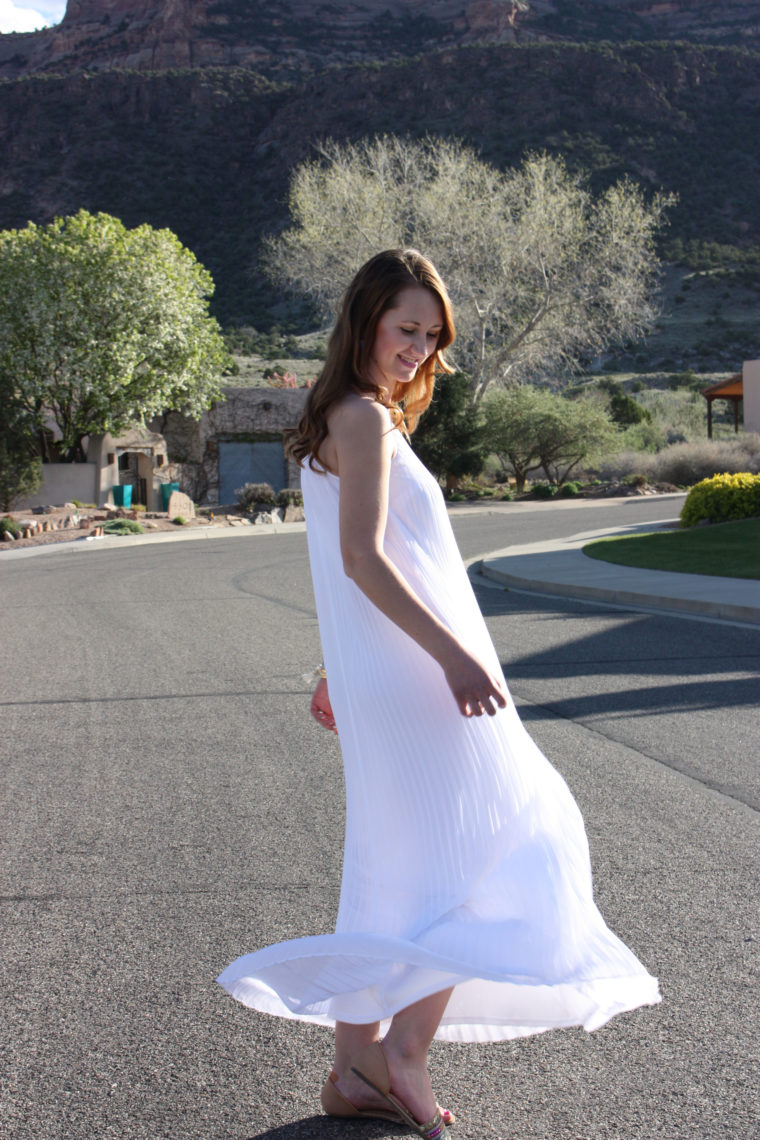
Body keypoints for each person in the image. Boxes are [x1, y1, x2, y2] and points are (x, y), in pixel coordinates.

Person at [217, 249, 660, 1138]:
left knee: (405, 856)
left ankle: (355, 1065)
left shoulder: (352, 416)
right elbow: (362, 560)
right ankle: (405, 1050)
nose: (419, 348)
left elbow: (359, 571)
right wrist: (458, 657)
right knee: (513, 832)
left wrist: (337, 666)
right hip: (426, 677)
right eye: (405, 328)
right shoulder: (365, 420)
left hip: (395, 676)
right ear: (365, 321)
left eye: (432, 335)